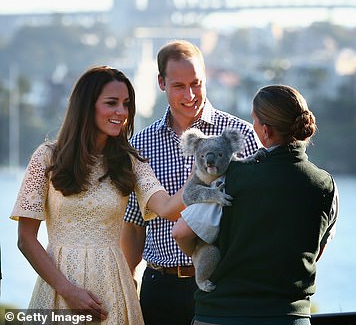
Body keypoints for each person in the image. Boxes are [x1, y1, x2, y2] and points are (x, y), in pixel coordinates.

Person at [10, 66, 195, 324]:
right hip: (58, 290)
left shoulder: (130, 162)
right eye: (112, 103)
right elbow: (26, 240)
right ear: (86, 106)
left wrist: (200, 174)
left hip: (113, 290)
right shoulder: (47, 157)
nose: (122, 112)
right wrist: (68, 292)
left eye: (126, 104)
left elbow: (167, 209)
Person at [173, 84, 339, 325]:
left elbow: (181, 232)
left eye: (254, 120)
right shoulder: (326, 185)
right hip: (288, 316)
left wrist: (205, 258)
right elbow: (316, 251)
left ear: (266, 130)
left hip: (222, 314)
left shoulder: (232, 177)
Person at [121, 40, 259, 325]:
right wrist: (127, 286)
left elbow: (260, 212)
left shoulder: (239, 136)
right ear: (161, 82)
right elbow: (134, 225)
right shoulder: (140, 146)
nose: (190, 94)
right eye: (179, 86)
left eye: (196, 83)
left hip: (223, 282)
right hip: (161, 287)